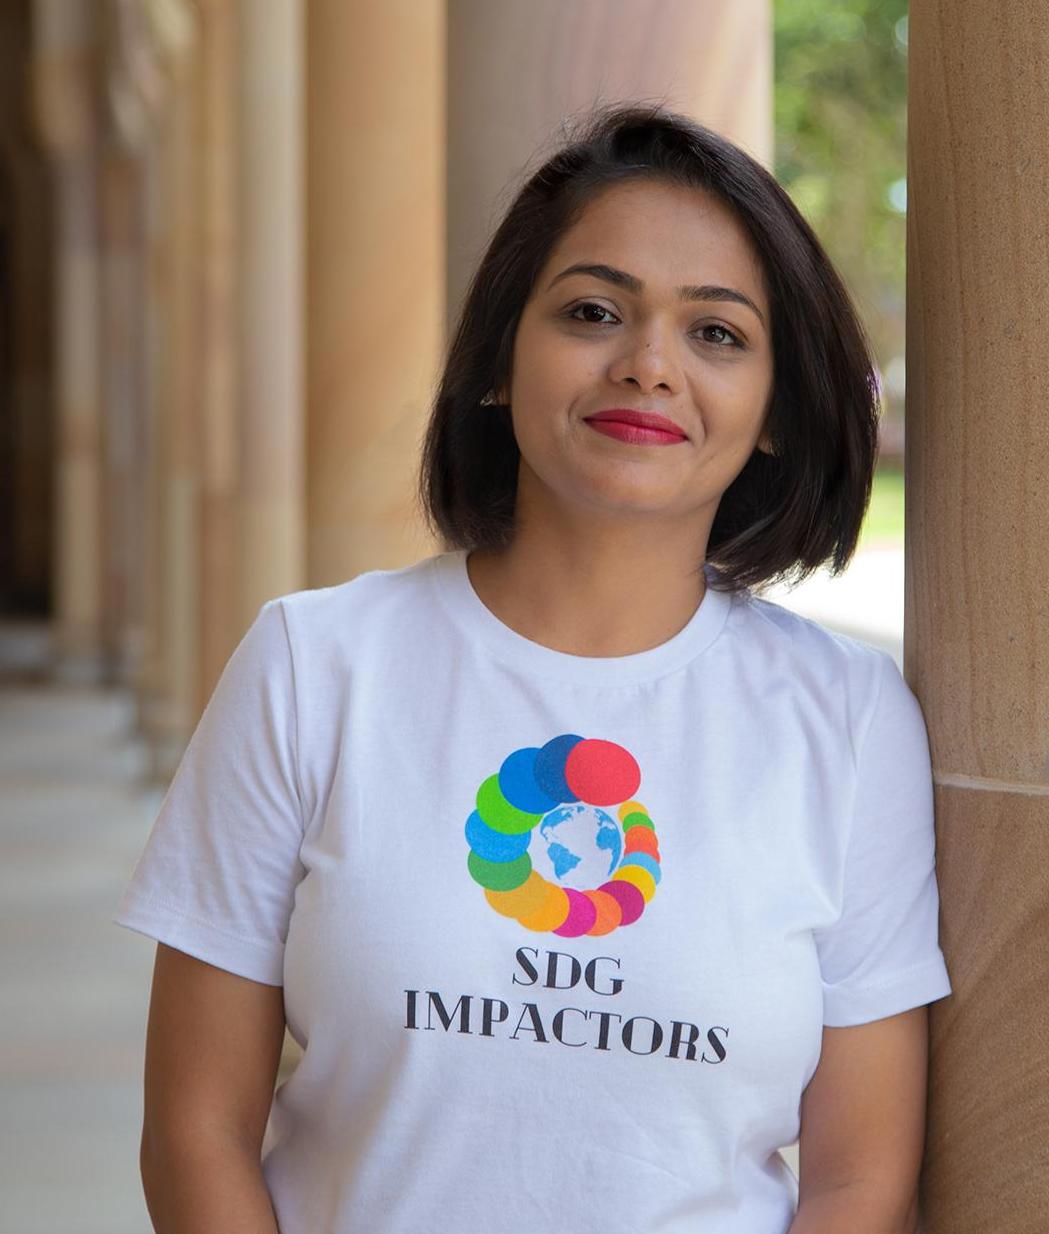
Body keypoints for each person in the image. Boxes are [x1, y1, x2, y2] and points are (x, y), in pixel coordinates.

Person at [114, 101, 952, 1234]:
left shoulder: (848, 722)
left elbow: (860, 1178)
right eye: (593, 311)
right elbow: (194, 1129)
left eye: (715, 333)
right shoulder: (313, 666)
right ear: (500, 361)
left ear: (772, 412)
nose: (648, 364)